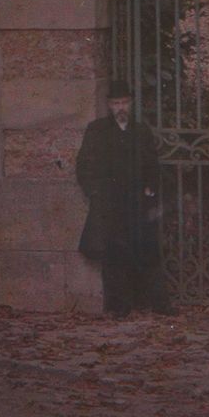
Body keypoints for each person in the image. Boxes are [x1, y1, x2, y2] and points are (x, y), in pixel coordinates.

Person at [76, 80, 162, 316]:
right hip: (110, 202)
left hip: (137, 202)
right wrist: (96, 192)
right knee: (113, 253)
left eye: (124, 102)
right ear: (108, 105)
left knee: (142, 249)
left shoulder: (141, 131)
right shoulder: (97, 130)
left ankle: (149, 302)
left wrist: (150, 188)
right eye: (116, 103)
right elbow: (84, 166)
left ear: (131, 103)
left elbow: (152, 164)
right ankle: (118, 306)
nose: (120, 108)